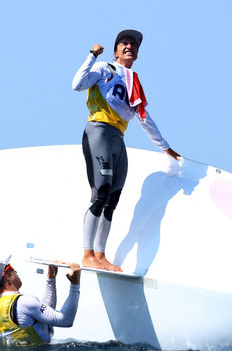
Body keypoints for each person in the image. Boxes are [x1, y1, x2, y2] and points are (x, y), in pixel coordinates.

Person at [72, 29, 180, 272]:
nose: (129, 46)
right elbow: (77, 84)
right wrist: (91, 56)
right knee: (100, 194)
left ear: (137, 54)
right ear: (116, 51)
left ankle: (101, 255)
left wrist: (165, 147)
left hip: (118, 138)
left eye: (133, 44)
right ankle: (87, 253)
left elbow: (143, 118)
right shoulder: (104, 69)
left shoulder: (134, 82)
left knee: (113, 199)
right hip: (98, 130)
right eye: (124, 43)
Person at [0, 256, 81, 347]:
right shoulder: (24, 302)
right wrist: (75, 284)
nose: (15, 271)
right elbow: (66, 320)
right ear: (6, 276)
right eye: (10, 267)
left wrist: (51, 278)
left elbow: (44, 317)